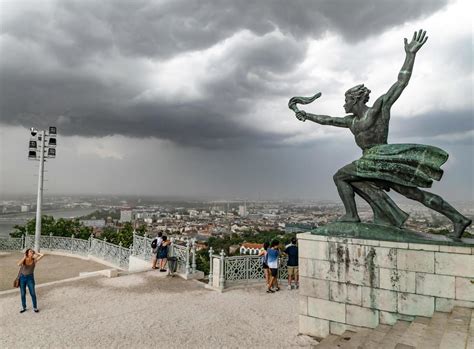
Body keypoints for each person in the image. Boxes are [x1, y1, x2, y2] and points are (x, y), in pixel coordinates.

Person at [294, 29, 471, 239]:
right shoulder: (351, 121)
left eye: (346, 100)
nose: (344, 104)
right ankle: (458, 218)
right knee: (413, 193)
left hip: (380, 157)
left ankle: (351, 216)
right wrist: (305, 114)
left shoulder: (378, 108)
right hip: (372, 161)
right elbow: (328, 119)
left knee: (340, 176)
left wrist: (410, 55)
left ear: (356, 100)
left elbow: (400, 83)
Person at [17, 248, 44, 313]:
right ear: (27, 253)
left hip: (30, 278)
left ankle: (35, 307)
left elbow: (42, 255)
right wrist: (24, 257)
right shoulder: (24, 260)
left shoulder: (34, 260)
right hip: (22, 278)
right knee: (23, 294)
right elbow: (18, 264)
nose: (31, 253)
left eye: (32, 252)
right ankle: (24, 307)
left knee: (33, 293)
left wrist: (36, 253)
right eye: (30, 252)